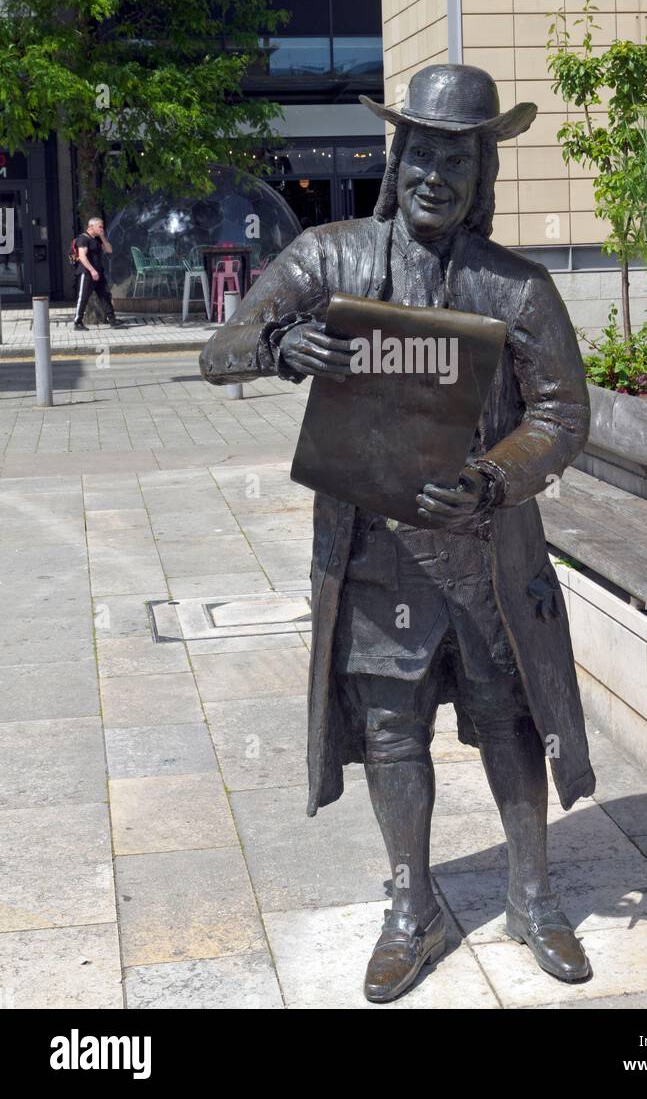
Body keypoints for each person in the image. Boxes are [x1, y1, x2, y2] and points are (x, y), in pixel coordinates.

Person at [200, 64, 595, 1002]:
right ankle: (411, 908)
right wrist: (275, 346)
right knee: (391, 728)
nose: (436, 176)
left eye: (458, 158)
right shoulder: (328, 257)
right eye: (422, 153)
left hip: (488, 554)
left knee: (509, 721)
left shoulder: (519, 288)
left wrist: (499, 476)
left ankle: (533, 894)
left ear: (482, 171)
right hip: (374, 556)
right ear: (397, 156)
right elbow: (220, 346)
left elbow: (563, 412)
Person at [73, 216, 119, 330]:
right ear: (91, 226)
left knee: (105, 295)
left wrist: (103, 236)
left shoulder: (97, 239)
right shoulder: (83, 239)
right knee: (83, 297)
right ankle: (77, 322)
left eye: (102, 227)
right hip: (87, 273)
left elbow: (109, 250)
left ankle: (112, 320)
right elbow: (82, 257)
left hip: (99, 273)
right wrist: (92, 270)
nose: (102, 229)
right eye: (100, 227)